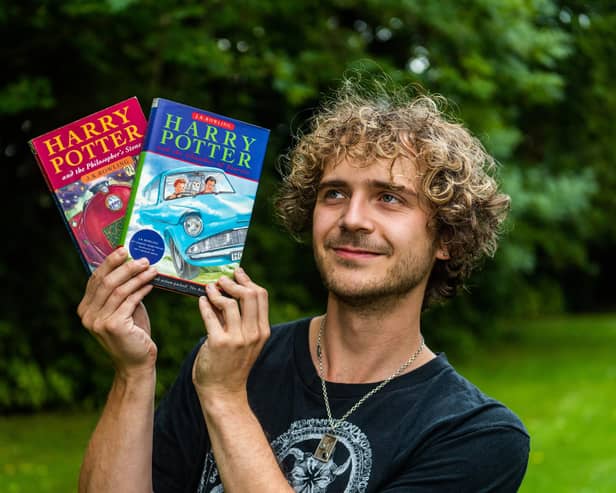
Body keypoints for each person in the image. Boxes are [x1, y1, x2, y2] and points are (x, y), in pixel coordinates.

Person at [77, 79, 529, 492]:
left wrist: (226, 397)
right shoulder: (222, 359)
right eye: (334, 193)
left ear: (446, 237)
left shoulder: (475, 434)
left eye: (388, 198)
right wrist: (133, 374)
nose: (351, 219)